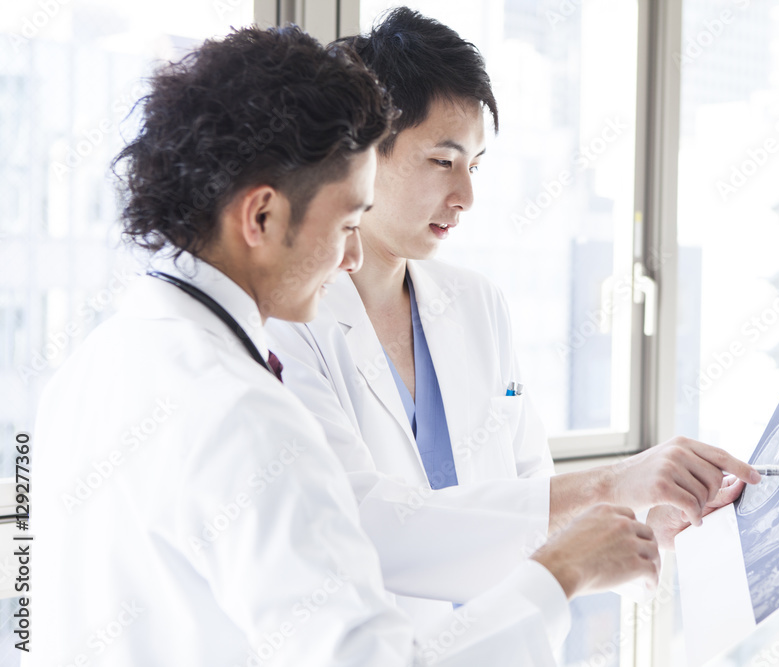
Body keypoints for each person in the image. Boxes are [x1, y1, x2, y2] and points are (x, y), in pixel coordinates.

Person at [26, 26, 662, 666]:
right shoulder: (241, 412)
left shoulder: (91, 368)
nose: (353, 255)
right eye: (347, 222)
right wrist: (559, 574)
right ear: (262, 217)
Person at [266, 7, 760, 625]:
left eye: (474, 167)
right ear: (365, 153)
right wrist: (614, 481)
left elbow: (530, 501)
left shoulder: (479, 304)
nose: (466, 196)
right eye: (443, 162)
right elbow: (363, 524)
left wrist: (649, 526)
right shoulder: (289, 322)